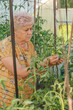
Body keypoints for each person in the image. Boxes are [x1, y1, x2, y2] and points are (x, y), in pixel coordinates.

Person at [0, 12, 64, 107]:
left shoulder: (29, 45)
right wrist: (44, 62)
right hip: (9, 101)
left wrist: (49, 63)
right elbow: (20, 72)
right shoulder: (6, 46)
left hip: (26, 99)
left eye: (31, 29)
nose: (30, 32)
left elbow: (34, 71)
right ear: (15, 30)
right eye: (26, 30)